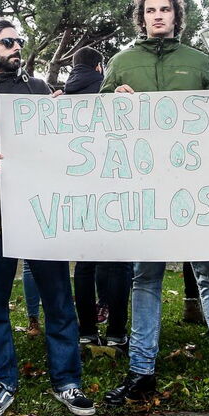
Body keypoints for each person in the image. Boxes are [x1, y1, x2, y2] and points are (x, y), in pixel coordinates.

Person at [102, 0, 209, 412]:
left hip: (196, 189)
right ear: (142, 17)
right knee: (146, 279)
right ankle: (140, 372)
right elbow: (97, 122)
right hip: (146, 189)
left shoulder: (197, 62)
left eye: (165, 10)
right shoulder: (121, 63)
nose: (157, 16)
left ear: (176, 16)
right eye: (150, 10)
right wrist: (111, 100)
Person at [0, 19, 95, 416]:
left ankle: (68, 381)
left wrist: (64, 114)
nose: (16, 47)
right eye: (8, 42)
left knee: (58, 299)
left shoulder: (38, 90)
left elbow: (58, 142)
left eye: (19, 41)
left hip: (40, 209)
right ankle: (0, 380)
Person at [64, 46, 133, 352]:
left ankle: (87, 332)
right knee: (118, 262)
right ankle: (117, 332)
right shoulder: (110, 93)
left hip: (79, 186)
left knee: (84, 264)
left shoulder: (61, 99)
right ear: (99, 68)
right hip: (115, 182)